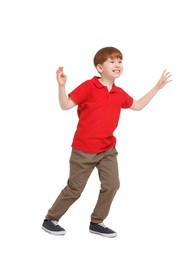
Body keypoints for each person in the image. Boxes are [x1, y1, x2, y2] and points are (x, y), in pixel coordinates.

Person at [42, 46, 172, 238]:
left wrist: (157, 87)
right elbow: (66, 105)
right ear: (100, 67)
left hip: (107, 149)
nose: (117, 64)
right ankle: (50, 219)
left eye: (119, 61)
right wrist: (61, 86)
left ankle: (97, 222)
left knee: (112, 185)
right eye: (112, 61)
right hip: (83, 150)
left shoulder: (119, 93)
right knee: (75, 189)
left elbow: (137, 105)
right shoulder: (88, 86)